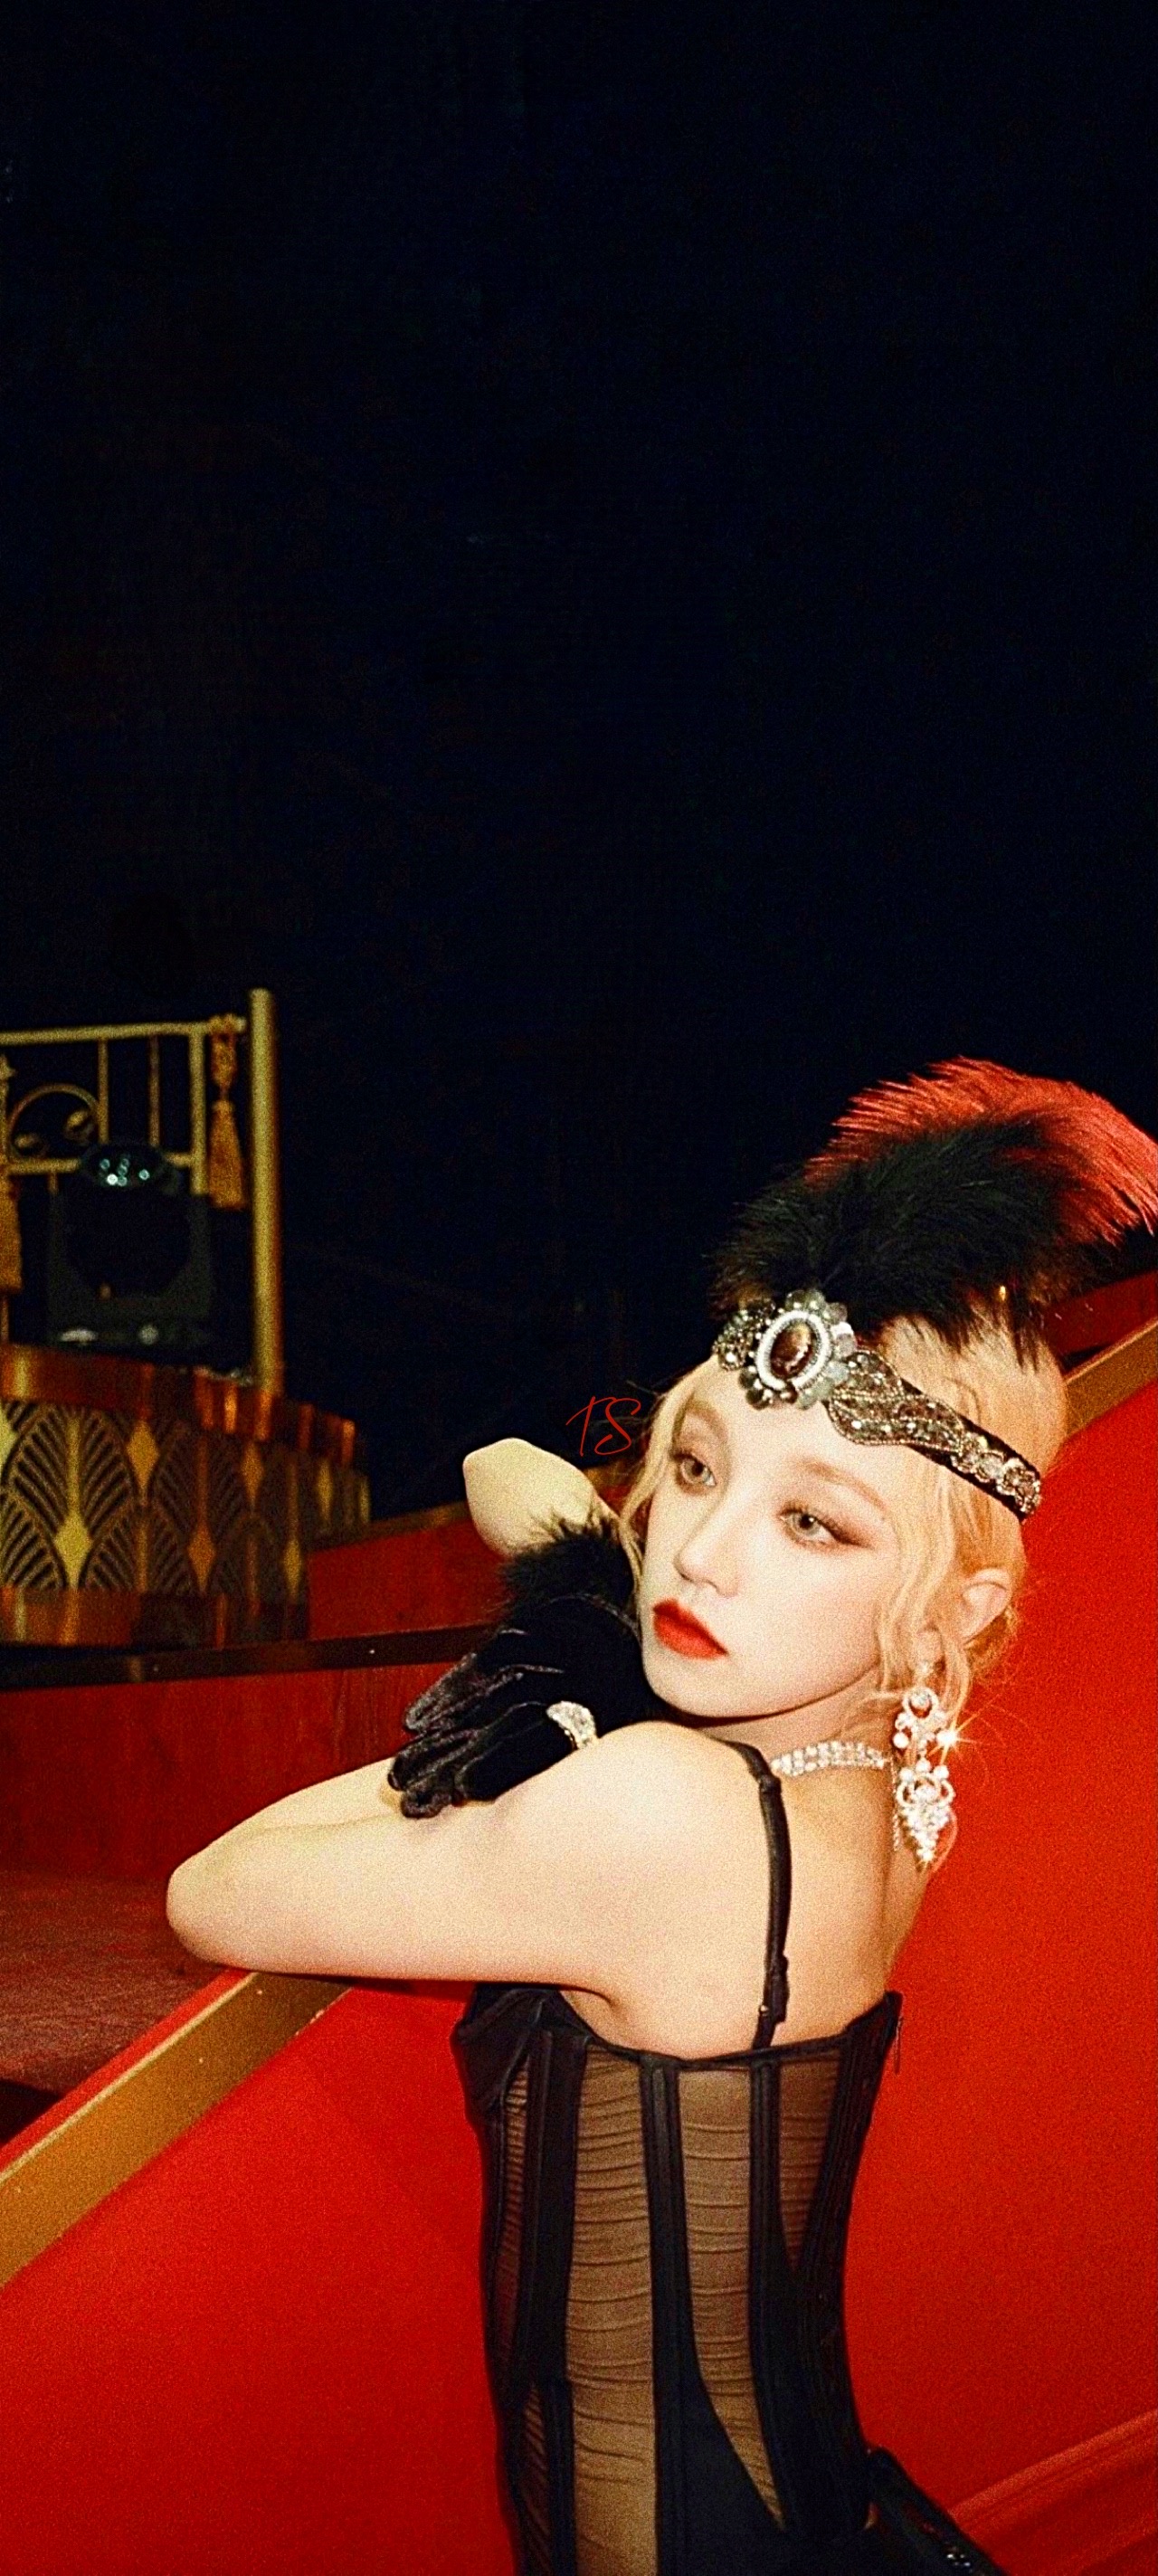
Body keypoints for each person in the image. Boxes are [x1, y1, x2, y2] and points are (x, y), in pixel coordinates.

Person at [167, 1059, 1156, 2575]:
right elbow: (529, 1489)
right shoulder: (886, 1772)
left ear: (951, 1605)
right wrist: (599, 1601)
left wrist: (570, 1648)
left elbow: (214, 1888)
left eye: (813, 1521)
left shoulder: (666, 1813)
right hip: (806, 2509)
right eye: (696, 1466)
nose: (701, 1554)